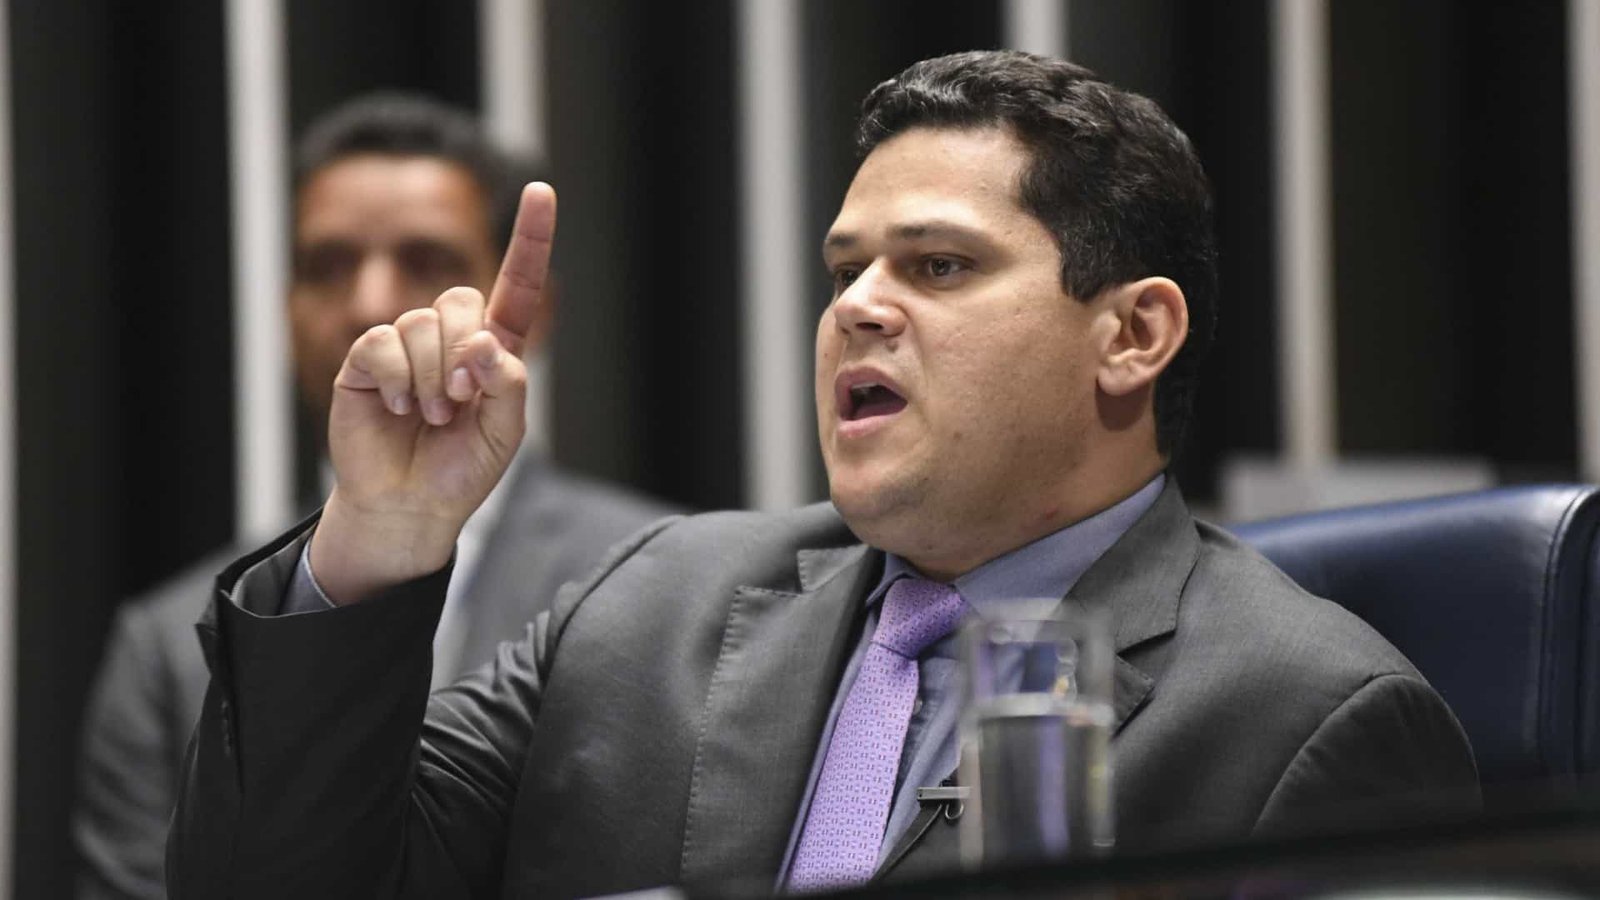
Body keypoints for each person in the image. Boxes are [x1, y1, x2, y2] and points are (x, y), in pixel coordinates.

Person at [168, 52, 1479, 898]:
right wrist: (380, 537)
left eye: (938, 266)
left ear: (1132, 334)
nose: (857, 306)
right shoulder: (644, 605)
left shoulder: (1308, 719)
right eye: (845, 269)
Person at [74, 94, 677, 900]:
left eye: (424, 260)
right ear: (287, 310)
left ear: (532, 310)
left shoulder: (662, 585)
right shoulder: (167, 647)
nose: (367, 305)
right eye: (327, 266)